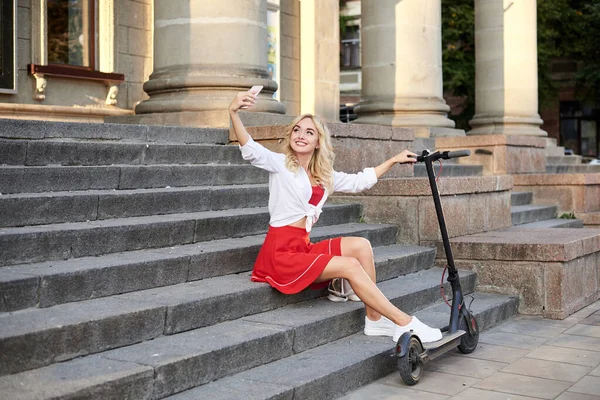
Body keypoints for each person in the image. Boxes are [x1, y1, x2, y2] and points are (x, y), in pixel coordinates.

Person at [229, 90, 442, 343]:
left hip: (302, 247)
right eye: (297, 130)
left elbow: (360, 181)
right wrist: (233, 113)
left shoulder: (324, 175)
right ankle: (405, 322)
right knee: (350, 265)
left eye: (309, 132)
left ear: (318, 142)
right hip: (281, 255)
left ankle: (373, 319)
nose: (301, 135)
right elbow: (251, 149)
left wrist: (393, 161)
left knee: (361, 246)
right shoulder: (280, 164)